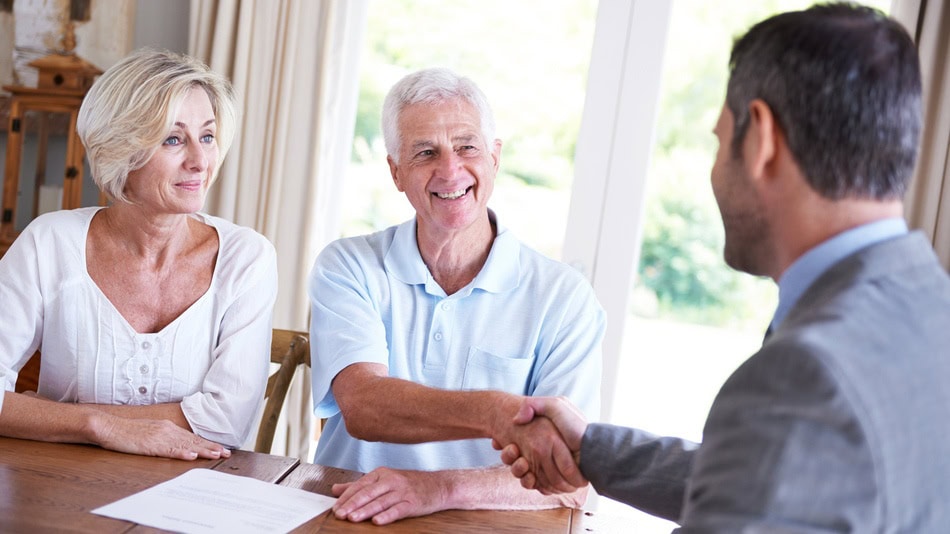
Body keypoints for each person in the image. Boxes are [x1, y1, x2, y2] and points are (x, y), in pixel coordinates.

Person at [499, 3, 950, 532]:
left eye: (718, 141)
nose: (715, 169)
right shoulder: (927, 305)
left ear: (760, 139)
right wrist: (592, 448)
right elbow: (776, 485)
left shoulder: (805, 375)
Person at [308, 67, 605, 525]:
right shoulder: (349, 264)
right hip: (350, 513)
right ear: (396, 171)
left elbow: (569, 477)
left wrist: (440, 488)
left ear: (494, 158)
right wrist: (497, 412)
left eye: (466, 146)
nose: (450, 169)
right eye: (426, 152)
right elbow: (364, 406)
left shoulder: (564, 298)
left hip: (487, 522)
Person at [0, 49, 277, 460]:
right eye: (173, 139)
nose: (200, 161)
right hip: (55, 491)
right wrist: (99, 427)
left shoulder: (247, 257)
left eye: (207, 136)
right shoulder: (49, 242)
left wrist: (50, 415)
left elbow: (226, 422)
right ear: (120, 150)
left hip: (193, 497)